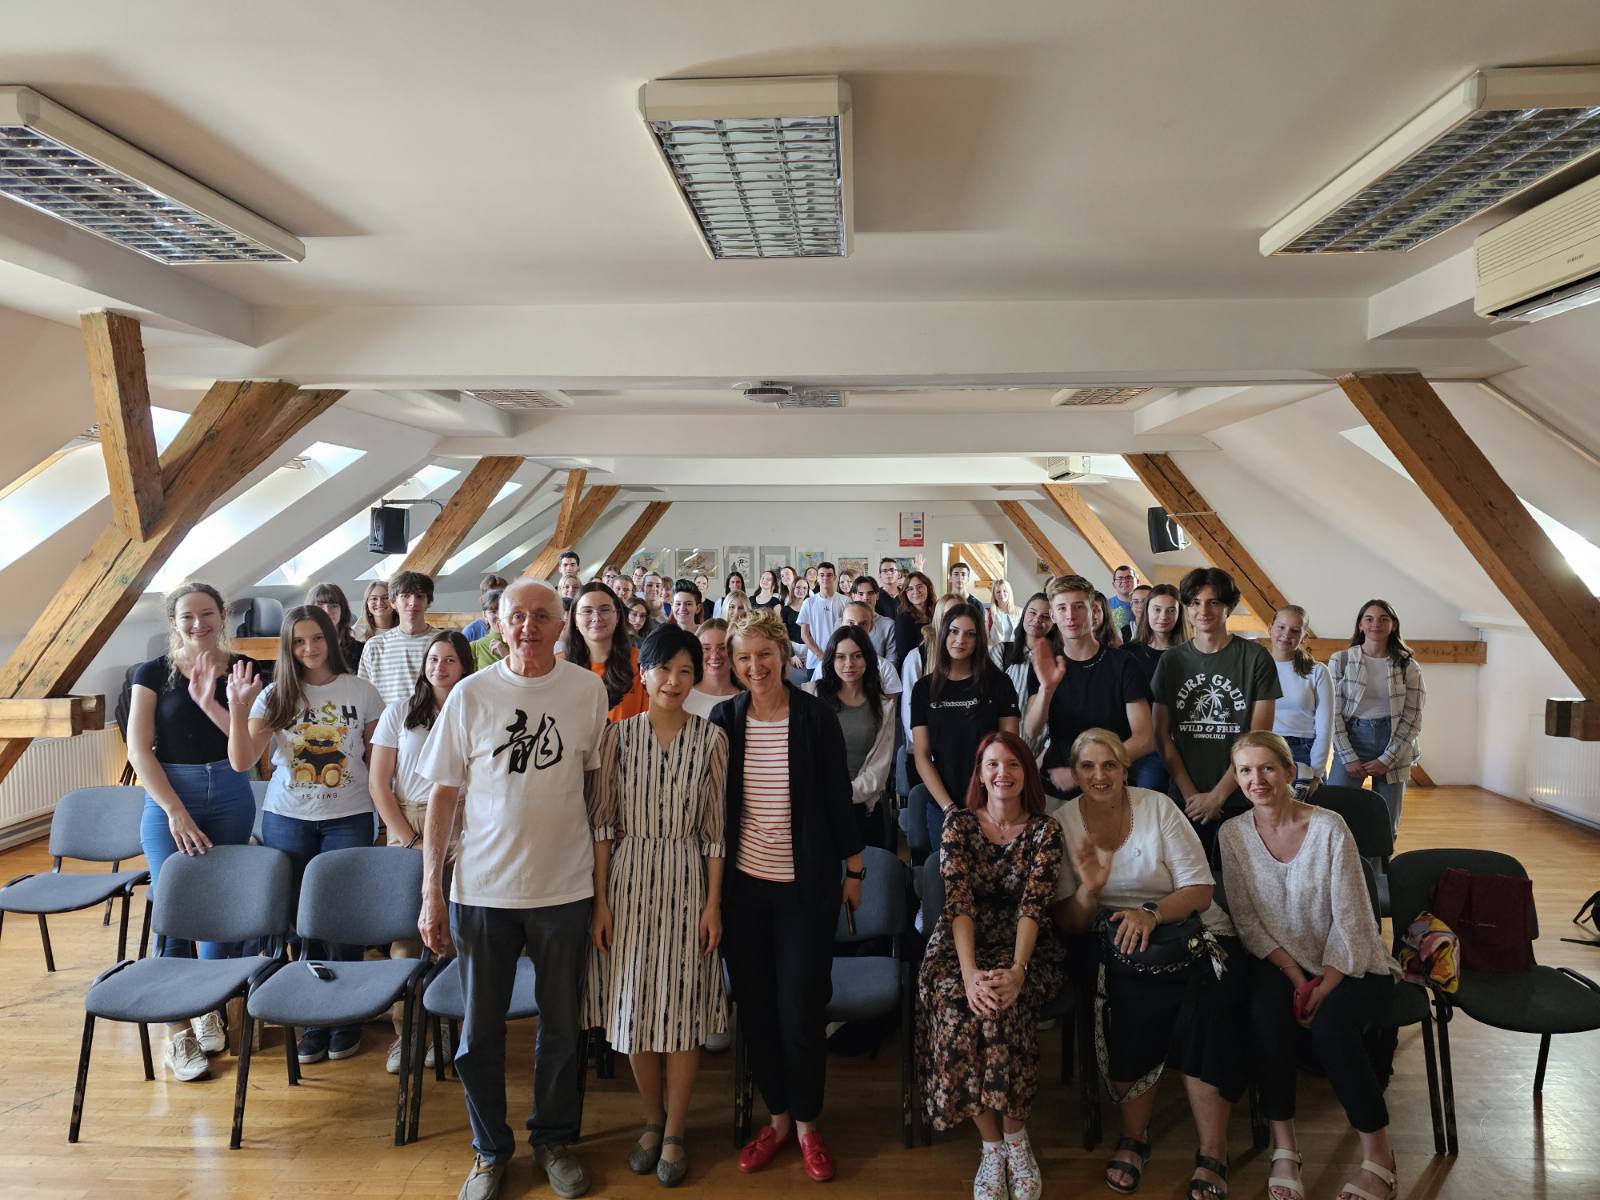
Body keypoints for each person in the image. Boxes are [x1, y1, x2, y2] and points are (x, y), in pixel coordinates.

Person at [416, 580, 610, 1200]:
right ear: (497, 625)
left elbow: (594, 791)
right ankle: (489, 1149)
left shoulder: (587, 691)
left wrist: (602, 889)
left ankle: (554, 1139)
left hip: (564, 886)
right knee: (480, 1033)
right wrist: (431, 891)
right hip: (482, 890)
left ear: (561, 625)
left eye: (542, 616)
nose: (529, 627)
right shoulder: (471, 694)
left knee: (562, 1027)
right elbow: (442, 796)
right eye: (517, 616)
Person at [1051, 729, 1246, 1200]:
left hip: (1189, 930)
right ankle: (1134, 1138)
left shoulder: (1157, 807)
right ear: (1075, 773)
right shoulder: (1060, 823)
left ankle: (1213, 1150)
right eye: (1088, 767)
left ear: (1126, 769)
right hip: (1110, 941)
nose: (1099, 776)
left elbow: (1200, 891)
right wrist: (1090, 891)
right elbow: (1069, 923)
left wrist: (1151, 913)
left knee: (1209, 1005)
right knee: (1128, 1003)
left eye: (1110, 765)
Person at [711, 609, 865, 1183]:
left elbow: (837, 797)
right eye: (743, 657)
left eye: (764, 655)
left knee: (800, 1009)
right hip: (744, 891)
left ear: (784, 655)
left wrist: (855, 870)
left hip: (805, 890)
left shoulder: (814, 716)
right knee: (756, 1010)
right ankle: (776, 1119)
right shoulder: (726, 718)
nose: (755, 667)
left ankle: (806, 1124)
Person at [1219, 732, 1401, 1200]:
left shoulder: (1329, 827)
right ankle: (1285, 1148)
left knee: (1332, 1027)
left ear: (1289, 772)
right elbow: (1248, 921)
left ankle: (1379, 1156)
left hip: (1352, 959)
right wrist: (1297, 977)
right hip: (1282, 958)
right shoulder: (1232, 834)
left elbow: (1355, 920)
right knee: (1266, 1017)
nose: (1256, 780)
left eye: (1267, 768)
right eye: (1245, 770)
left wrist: (1326, 983)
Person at [586, 624, 729, 1187]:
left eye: (685, 671)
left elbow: (716, 833)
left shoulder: (712, 739)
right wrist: (600, 902)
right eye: (664, 668)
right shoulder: (617, 737)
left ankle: (675, 1129)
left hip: (688, 878)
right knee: (636, 1005)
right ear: (643, 673)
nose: (674, 680)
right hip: (629, 880)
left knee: (684, 1006)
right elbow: (602, 826)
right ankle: (651, 1118)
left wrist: (714, 905)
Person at [226, 605, 384, 1065]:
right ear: (287, 647)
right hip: (288, 817)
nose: (309, 648)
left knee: (344, 919)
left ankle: (347, 1014)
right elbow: (241, 760)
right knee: (303, 922)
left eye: (316, 638)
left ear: (331, 639)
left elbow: (378, 762)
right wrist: (238, 707)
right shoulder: (275, 694)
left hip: (349, 815)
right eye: (298, 641)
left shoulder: (361, 691)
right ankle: (315, 1016)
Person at [918, 731, 1063, 1200]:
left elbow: (1033, 906)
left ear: (1027, 773)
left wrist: (1018, 970)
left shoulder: (1045, 830)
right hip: (961, 944)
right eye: (993, 764)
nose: (1003, 773)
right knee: (959, 1010)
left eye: (1014, 764)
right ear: (980, 774)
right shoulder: (959, 824)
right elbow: (958, 903)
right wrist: (968, 974)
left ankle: (1017, 1141)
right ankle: (991, 1146)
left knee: (1002, 1010)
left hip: (1025, 945)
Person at [128, 582, 255, 1081]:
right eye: (187, 616)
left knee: (220, 908)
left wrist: (220, 703)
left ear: (222, 615)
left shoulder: (245, 668)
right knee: (174, 908)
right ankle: (176, 1027)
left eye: (207, 613)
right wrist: (175, 811)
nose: (198, 624)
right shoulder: (150, 673)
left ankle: (208, 1004)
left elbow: (250, 748)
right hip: (170, 794)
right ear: (173, 623)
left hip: (230, 791)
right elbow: (139, 750)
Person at [368, 628, 474, 1073]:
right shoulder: (400, 711)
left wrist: (468, 836)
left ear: (464, 666)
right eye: (433, 659)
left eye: (449, 660)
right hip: (406, 820)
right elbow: (379, 783)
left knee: (454, 931)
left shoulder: (475, 708)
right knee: (406, 933)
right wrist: (407, 839)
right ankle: (407, 1032)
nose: (440, 667)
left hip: (462, 823)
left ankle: (449, 1029)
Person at [1152, 568, 1280, 858]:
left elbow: (1258, 739)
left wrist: (1218, 796)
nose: (1203, 610)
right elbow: (1161, 735)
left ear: (1228, 608)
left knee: (1239, 878)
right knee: (1189, 878)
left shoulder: (1255, 657)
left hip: (1241, 795)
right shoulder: (1171, 661)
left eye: (1213, 602)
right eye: (1195, 603)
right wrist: (1191, 795)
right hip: (1186, 797)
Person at [1023, 576, 1154, 801]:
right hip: (1057, 784)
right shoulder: (1046, 663)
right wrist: (1047, 688)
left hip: (1109, 784)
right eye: (1062, 608)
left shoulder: (1123, 663)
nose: (1070, 616)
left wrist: (1086, 773)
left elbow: (1144, 739)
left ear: (1093, 611)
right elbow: (1031, 730)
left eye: (1078, 607)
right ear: (1053, 616)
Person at [910, 603, 1021, 847]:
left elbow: (1010, 749)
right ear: (943, 634)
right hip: (943, 804)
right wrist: (949, 808)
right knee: (946, 870)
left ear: (979, 640)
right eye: (954, 631)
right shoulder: (924, 689)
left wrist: (991, 802)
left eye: (970, 634)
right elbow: (921, 755)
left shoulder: (999, 683)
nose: (960, 640)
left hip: (993, 803)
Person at [1327, 600, 1426, 837]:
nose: (1376, 624)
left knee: (1386, 822)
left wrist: (1388, 758)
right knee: (1334, 814)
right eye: (1369, 619)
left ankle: (1381, 863)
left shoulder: (1407, 665)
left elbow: (1413, 716)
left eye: (1383, 619)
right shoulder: (1341, 660)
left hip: (1393, 741)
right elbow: (1331, 712)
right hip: (1352, 738)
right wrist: (1348, 756)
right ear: (1360, 625)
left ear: (1393, 625)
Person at [802, 626, 897, 848]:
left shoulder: (883, 707)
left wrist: (841, 796)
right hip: (816, 807)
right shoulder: (811, 696)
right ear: (831, 660)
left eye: (857, 656)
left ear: (868, 658)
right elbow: (802, 756)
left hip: (861, 808)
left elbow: (879, 769)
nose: (849, 664)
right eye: (841, 657)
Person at [1123, 583, 1188, 792]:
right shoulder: (1127, 653)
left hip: (1170, 742)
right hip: (1130, 739)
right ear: (1147, 611)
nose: (1163, 616)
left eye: (1171, 610)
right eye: (1157, 609)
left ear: (1179, 614)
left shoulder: (1188, 654)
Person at [560, 581, 648, 722]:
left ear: (617, 616)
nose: (596, 618)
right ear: (575, 619)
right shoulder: (557, 665)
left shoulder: (642, 662)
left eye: (605, 610)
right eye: (587, 611)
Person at [1267, 606, 1332, 779]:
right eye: (1281, 627)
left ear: (1304, 636)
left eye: (1295, 631)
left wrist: (1316, 772)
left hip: (1304, 751)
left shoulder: (1317, 671)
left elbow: (1324, 729)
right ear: (1270, 628)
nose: (1286, 634)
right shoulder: (1256, 668)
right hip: (1265, 748)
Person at [359, 570, 438, 705]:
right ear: (393, 602)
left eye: (419, 596)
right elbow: (362, 695)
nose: (413, 602)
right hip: (387, 718)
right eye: (405, 596)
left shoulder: (443, 642)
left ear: (428, 602)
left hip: (434, 718)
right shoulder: (374, 646)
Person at [999, 592, 1059, 731]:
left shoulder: (1059, 660)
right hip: (1005, 735)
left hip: (1044, 738)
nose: (1037, 619)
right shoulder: (1002, 650)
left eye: (1045, 616)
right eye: (1032, 613)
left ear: (1053, 623)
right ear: (1024, 615)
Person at [798, 561, 848, 672]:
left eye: (829, 575)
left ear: (834, 578)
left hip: (839, 661)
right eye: (822, 575)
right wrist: (821, 655)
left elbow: (849, 632)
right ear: (817, 578)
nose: (825, 578)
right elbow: (804, 635)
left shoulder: (846, 601)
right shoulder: (808, 603)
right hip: (814, 662)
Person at [685, 619, 741, 719]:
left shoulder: (748, 700)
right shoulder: (682, 697)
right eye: (706, 648)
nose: (714, 656)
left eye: (722, 648)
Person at [309, 581, 365, 672]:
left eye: (333, 606)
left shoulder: (360, 650)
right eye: (320, 606)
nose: (327, 611)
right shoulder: (302, 650)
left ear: (342, 611)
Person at [848, 576, 898, 663]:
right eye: (861, 594)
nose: (865, 597)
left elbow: (892, 660)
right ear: (853, 596)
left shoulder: (888, 625)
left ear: (877, 595)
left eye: (870, 593)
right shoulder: (841, 623)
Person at [894, 569, 936, 669]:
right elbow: (904, 654)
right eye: (910, 589)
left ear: (928, 588)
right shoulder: (903, 618)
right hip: (915, 668)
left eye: (919, 586)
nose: (915, 591)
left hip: (937, 665)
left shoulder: (937, 612)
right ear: (905, 593)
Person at [463, 574, 510, 642]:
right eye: (491, 596)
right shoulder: (471, 631)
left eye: (501, 594)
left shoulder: (514, 627)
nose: (497, 599)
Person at [471, 588, 510, 671]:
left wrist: (506, 655)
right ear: (485, 615)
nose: (499, 615)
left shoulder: (521, 642)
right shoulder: (477, 647)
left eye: (503, 610)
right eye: (493, 611)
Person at [1107, 565, 1139, 638]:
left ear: (1137, 581)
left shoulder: (1147, 604)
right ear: (1114, 584)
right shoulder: (1106, 605)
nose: (1124, 581)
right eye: (1120, 578)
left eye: (1129, 578)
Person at [987, 578, 1018, 649]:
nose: (1001, 594)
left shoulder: (1019, 612)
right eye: (998, 592)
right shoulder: (988, 613)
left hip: (1014, 651)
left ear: (1009, 593)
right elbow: (986, 639)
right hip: (994, 651)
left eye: (1005, 591)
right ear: (994, 595)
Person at [780, 576, 809, 651]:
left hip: (809, 648)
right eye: (798, 587)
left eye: (805, 588)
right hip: (791, 649)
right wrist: (791, 653)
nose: (801, 590)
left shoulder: (811, 609)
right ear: (793, 589)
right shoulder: (785, 610)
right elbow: (782, 634)